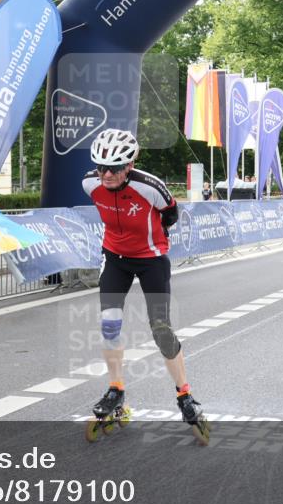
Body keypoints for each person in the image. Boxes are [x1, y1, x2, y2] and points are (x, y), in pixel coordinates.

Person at [82, 128, 210, 444]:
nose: (106, 174)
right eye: (100, 167)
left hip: (151, 259)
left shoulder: (150, 187)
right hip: (114, 258)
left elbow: (171, 215)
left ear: (129, 165)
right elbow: (101, 193)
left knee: (161, 330)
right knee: (109, 324)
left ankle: (185, 395)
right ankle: (116, 390)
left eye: (113, 168)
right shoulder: (89, 183)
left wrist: (150, 237)